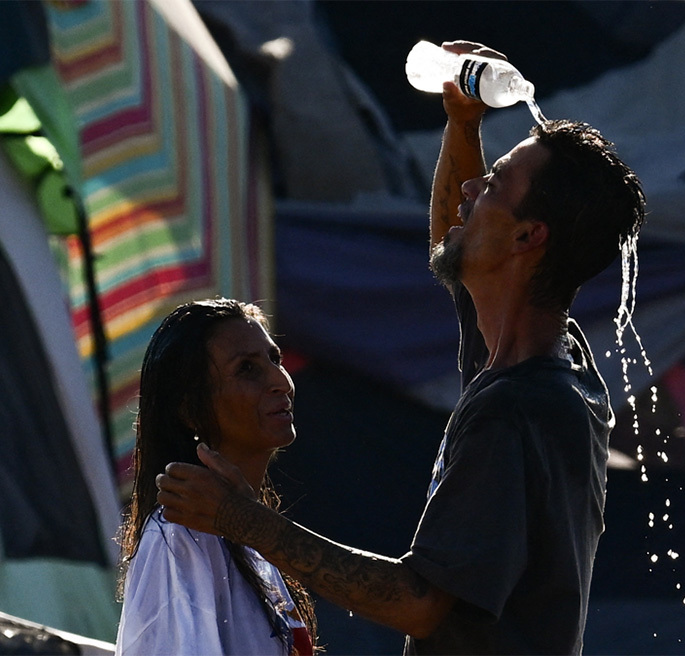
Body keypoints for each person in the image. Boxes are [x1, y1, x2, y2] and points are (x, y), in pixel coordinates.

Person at [155, 41, 646, 655]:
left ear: (527, 236)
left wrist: (242, 519)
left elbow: (417, 601)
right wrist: (463, 123)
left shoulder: (516, 408)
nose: (471, 190)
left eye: (492, 184)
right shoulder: (548, 357)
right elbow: (455, 246)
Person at [114, 299, 316, 656]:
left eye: (275, 359)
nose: (280, 382)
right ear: (190, 410)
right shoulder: (181, 538)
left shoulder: (250, 532)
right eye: (247, 369)